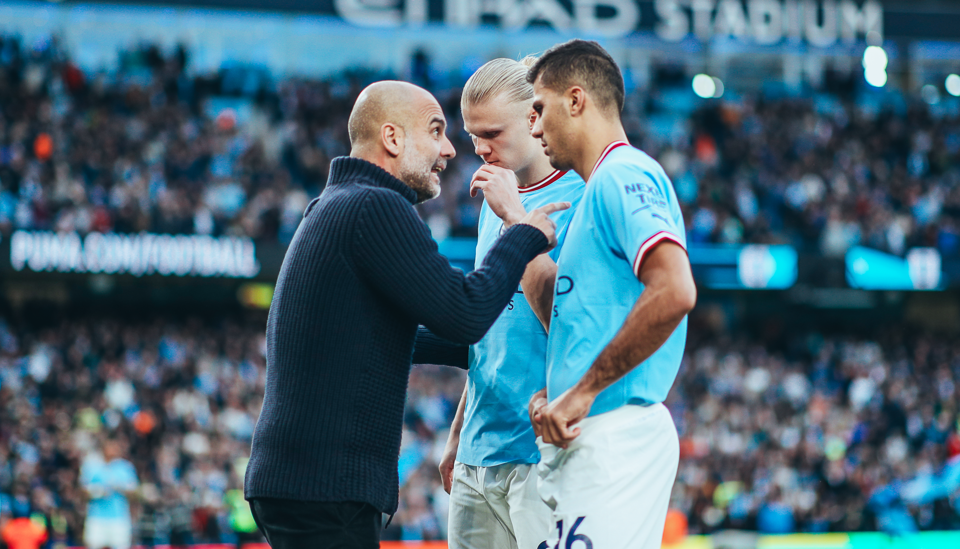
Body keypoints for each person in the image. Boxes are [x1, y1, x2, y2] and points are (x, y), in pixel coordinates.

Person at [245, 80, 568, 549]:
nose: (451, 150)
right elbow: (463, 312)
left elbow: (383, 337)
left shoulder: (333, 204)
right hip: (327, 488)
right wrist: (522, 232)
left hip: (300, 482)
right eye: (437, 131)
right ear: (393, 139)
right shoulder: (376, 206)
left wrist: (500, 344)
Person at [522, 39, 697, 549]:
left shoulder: (623, 174)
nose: (534, 127)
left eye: (539, 108)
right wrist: (560, 387)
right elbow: (580, 317)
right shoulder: (596, 189)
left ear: (575, 100)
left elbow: (675, 288)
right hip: (594, 435)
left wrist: (582, 390)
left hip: (615, 432)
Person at [414, 58, 585, 549]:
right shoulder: (497, 195)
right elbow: (489, 327)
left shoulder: (581, 196)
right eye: (471, 136)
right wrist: (458, 432)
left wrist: (517, 221)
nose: (480, 149)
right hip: (476, 453)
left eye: (492, 132)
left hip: (541, 454)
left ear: (535, 118)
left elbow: (570, 321)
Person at [80, 439, 139, 549]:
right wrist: (98, 492)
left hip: (119, 517)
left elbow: (134, 493)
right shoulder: (92, 466)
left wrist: (120, 487)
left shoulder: (125, 467)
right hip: (96, 517)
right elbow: (83, 491)